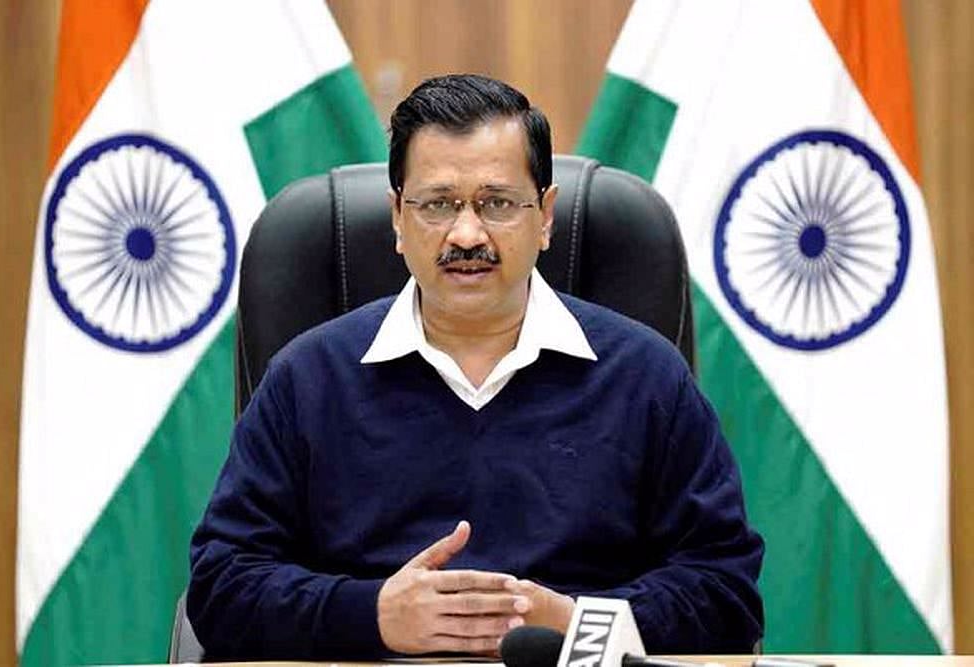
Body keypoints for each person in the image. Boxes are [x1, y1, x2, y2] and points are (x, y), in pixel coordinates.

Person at [188, 74, 764, 661]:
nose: (467, 234)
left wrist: (572, 624)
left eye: (498, 204)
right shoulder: (309, 378)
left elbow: (726, 593)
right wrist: (373, 614)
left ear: (545, 216)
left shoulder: (645, 377)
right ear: (397, 217)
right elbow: (222, 585)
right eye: (438, 204)